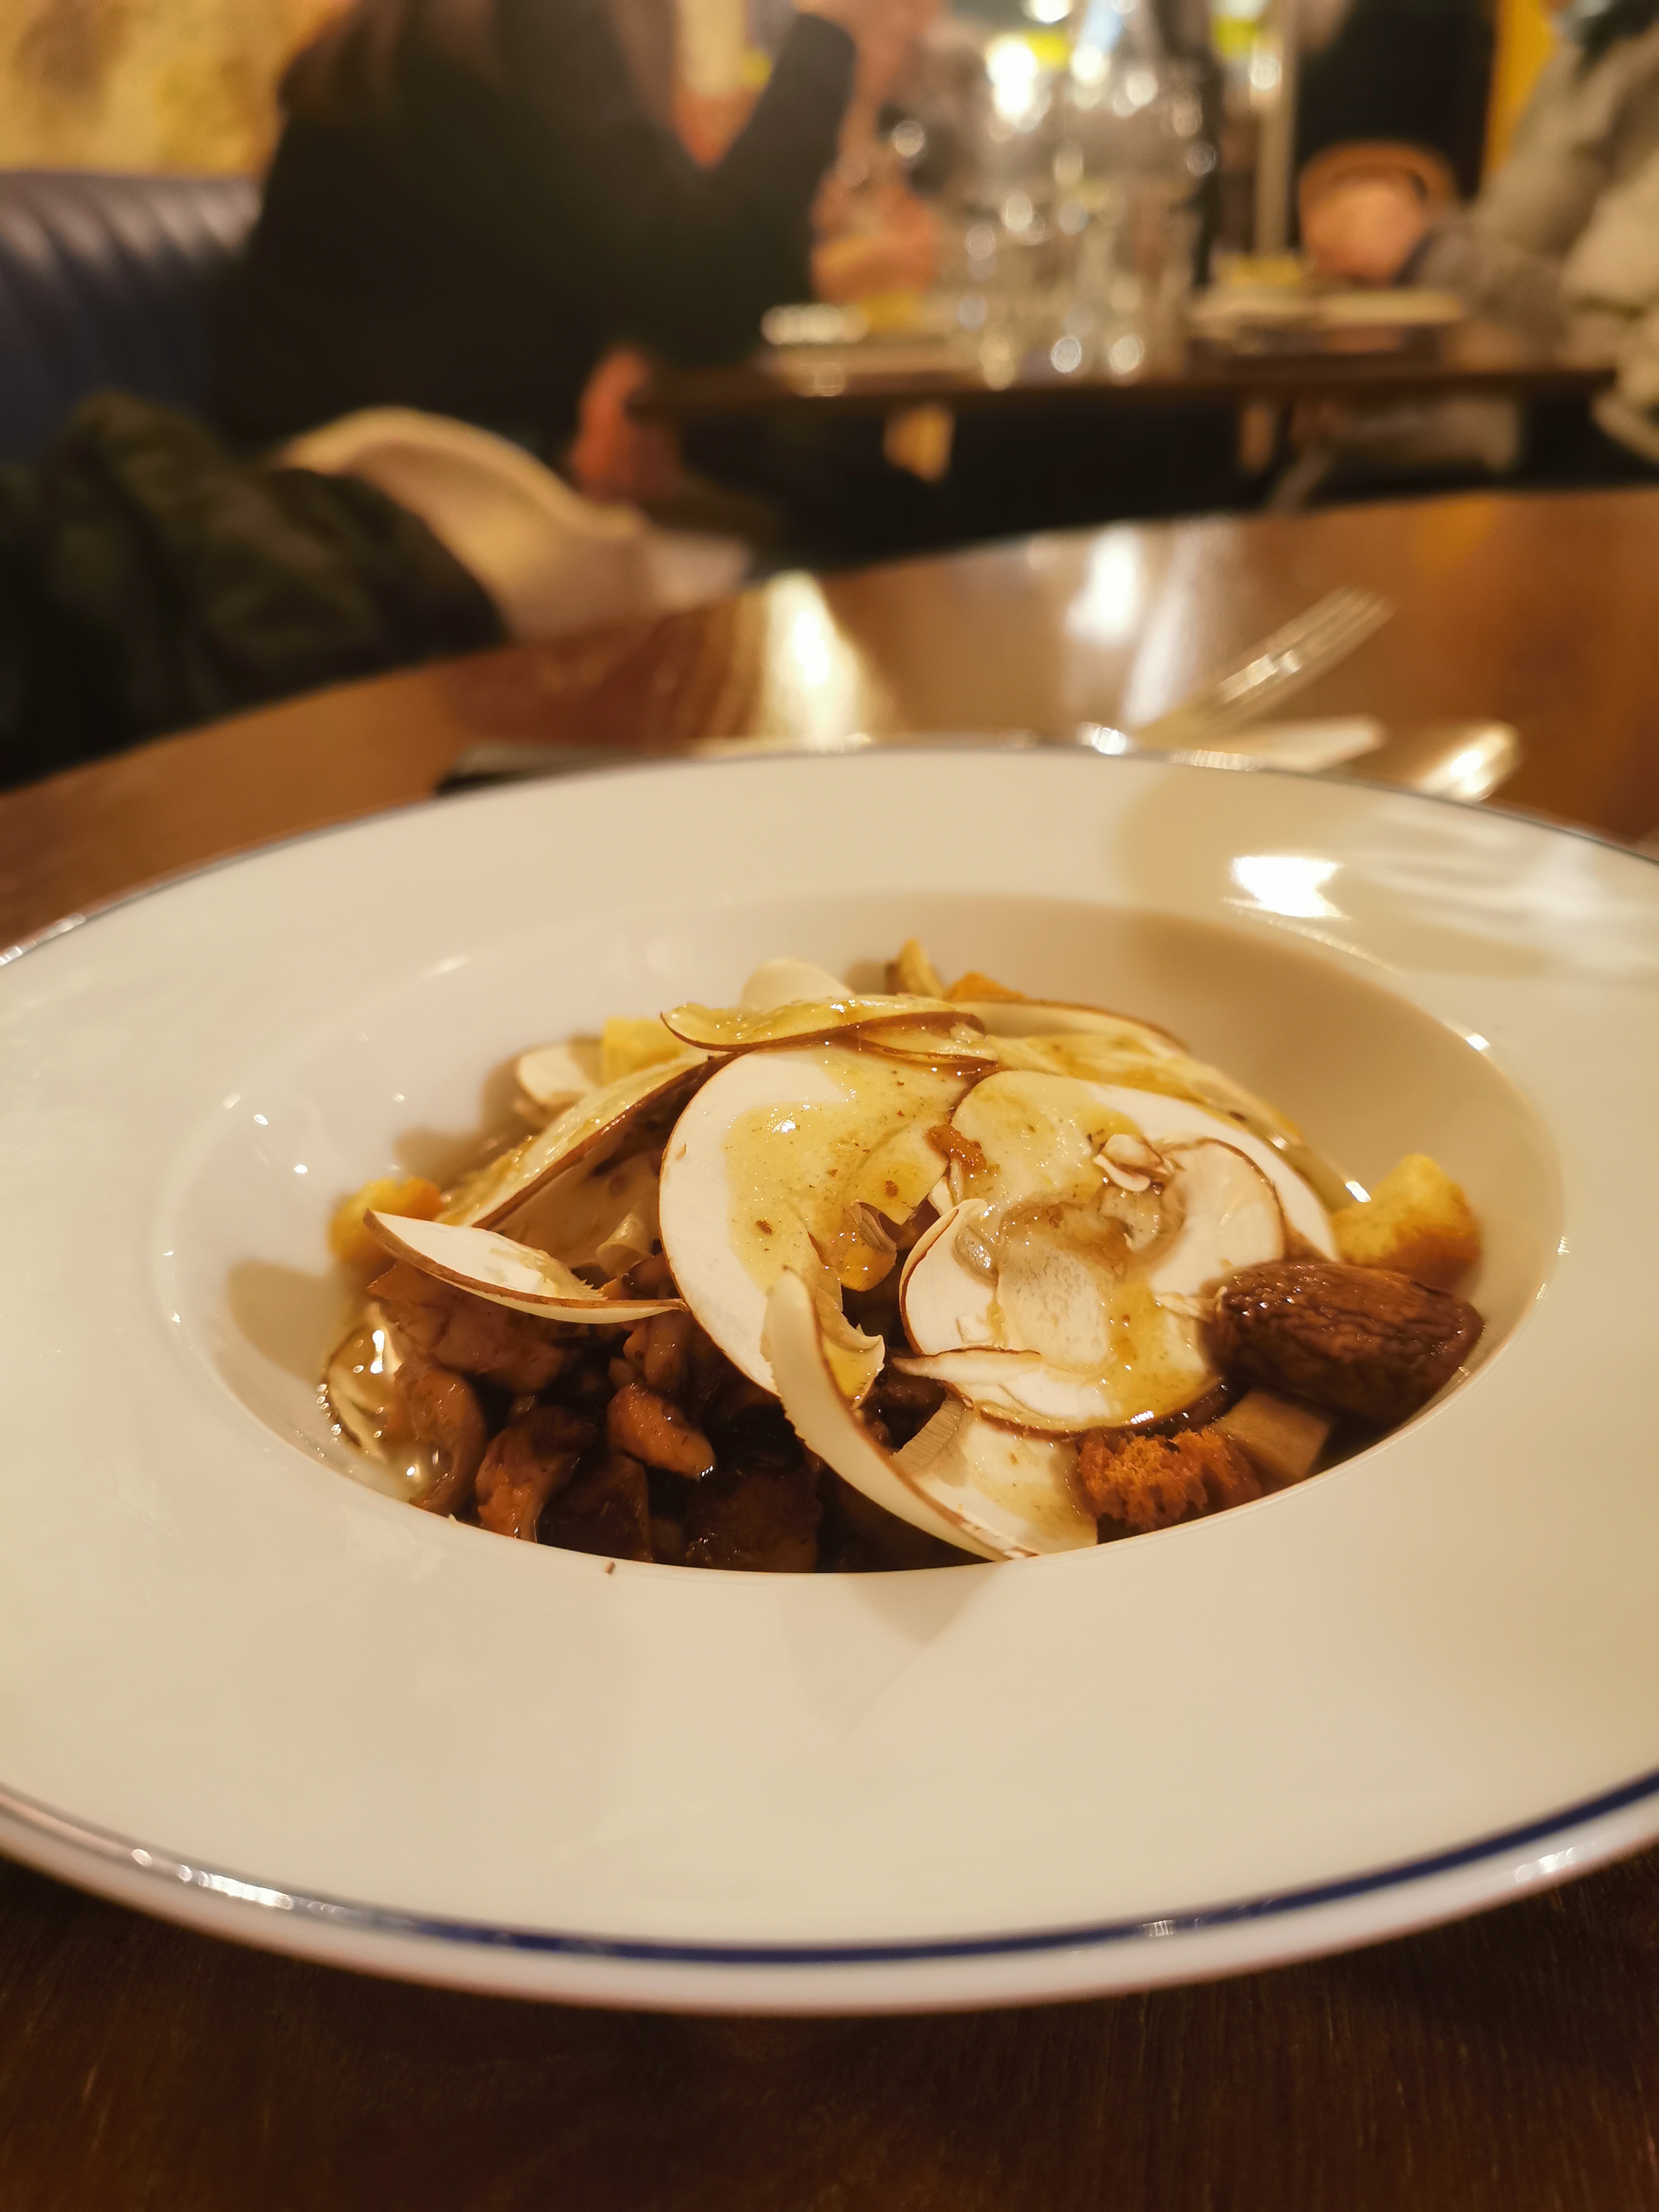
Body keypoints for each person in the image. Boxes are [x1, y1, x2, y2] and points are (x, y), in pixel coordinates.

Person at [215, 0, 896, 455]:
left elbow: (661, 265)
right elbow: (712, 281)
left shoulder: (435, 25)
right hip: (386, 501)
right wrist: (830, 29)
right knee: (864, 513)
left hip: (395, 478)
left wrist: (642, 340)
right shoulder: (526, 14)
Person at [1301, 0, 1659, 468]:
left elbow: (1595, 323)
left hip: (1539, 426)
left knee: (1320, 480)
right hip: (1474, 386)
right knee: (1301, 463)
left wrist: (1423, 251)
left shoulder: (1646, 71)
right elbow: (1501, 230)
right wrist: (1416, 230)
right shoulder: (1574, 56)